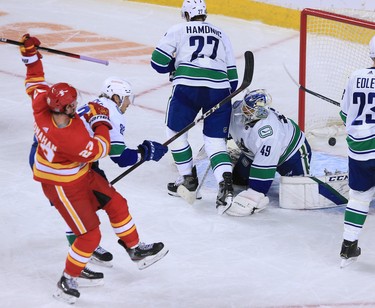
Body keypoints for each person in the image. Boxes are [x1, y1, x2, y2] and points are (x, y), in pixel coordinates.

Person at [20, 33, 169, 304]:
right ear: (63, 108)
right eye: (73, 105)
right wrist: (104, 123)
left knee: (117, 203)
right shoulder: (71, 138)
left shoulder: (42, 104)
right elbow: (103, 149)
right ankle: (69, 278)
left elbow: (35, 80)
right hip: (62, 183)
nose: (77, 106)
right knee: (88, 234)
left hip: (69, 167)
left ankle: (134, 249)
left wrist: (30, 54)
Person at [150, 0, 238, 212]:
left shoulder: (178, 29)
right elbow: (233, 80)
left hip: (187, 87)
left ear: (187, 15)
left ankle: (188, 179)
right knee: (216, 142)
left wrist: (175, 66)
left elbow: (157, 62)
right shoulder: (221, 33)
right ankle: (225, 185)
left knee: (175, 131)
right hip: (220, 90)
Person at [226, 88, 312, 216]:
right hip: (253, 153)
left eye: (251, 109)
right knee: (238, 179)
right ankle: (242, 155)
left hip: (291, 154)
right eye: (246, 106)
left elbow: (263, 168)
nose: (245, 110)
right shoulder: (237, 108)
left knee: (297, 196)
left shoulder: (268, 133)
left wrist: (254, 195)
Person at [339, 35, 375, 267]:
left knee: (359, 198)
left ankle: (348, 246)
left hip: (359, 149)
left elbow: (344, 114)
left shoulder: (356, 76)